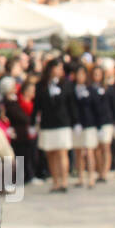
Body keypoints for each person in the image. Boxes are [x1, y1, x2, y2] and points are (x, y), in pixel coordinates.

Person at [34, 60, 73, 193]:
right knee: (50, 153)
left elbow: (71, 104)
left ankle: (64, 181)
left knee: (62, 152)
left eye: (61, 68)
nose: (59, 70)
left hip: (62, 122)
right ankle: (55, 181)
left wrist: (75, 121)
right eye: (57, 68)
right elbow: (37, 104)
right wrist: (33, 122)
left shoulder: (66, 84)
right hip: (47, 122)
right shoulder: (41, 85)